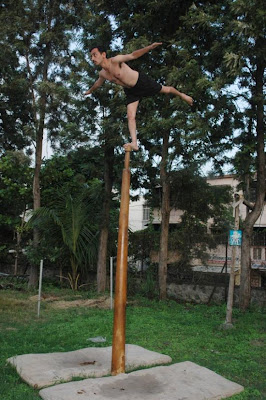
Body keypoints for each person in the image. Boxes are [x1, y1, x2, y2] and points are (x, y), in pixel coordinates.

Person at [84, 42, 193, 151]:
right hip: (131, 91)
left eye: (95, 55)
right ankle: (134, 143)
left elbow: (133, 55)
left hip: (140, 82)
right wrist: (89, 91)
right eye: (91, 56)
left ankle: (182, 95)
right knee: (131, 116)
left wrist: (149, 47)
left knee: (166, 89)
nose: (93, 58)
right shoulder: (102, 74)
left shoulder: (116, 60)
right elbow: (98, 83)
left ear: (103, 54)